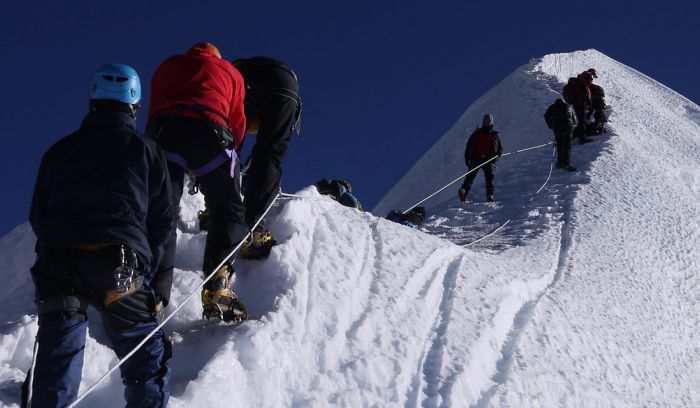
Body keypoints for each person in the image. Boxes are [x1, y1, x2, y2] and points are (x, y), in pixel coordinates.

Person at [22, 64, 175, 407]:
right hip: (117, 262)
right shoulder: (146, 150)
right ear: (134, 104)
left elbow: (38, 213)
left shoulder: (59, 151)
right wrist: (145, 268)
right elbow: (162, 220)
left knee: (55, 364)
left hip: (58, 263)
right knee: (145, 357)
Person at [146, 42, 248, 321]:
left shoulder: (167, 65)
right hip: (210, 133)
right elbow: (237, 121)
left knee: (162, 211)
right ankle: (217, 285)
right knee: (228, 209)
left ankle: (152, 291)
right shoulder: (229, 72)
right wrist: (230, 156)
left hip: (165, 133)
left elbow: (154, 108)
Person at [232, 57, 302, 259]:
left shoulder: (238, 72)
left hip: (246, 82)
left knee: (229, 146)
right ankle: (255, 228)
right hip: (288, 89)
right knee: (270, 154)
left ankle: (223, 211)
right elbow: (266, 153)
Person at [458, 114, 503, 202]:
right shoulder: (494, 136)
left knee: (470, 177)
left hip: (476, 158)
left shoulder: (476, 134)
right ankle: (490, 195)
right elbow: (500, 148)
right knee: (489, 177)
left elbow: (468, 146)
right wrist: (498, 155)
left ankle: (464, 190)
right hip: (488, 159)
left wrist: (467, 159)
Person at [544, 98, 577, 171]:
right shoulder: (568, 106)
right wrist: (573, 124)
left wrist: (551, 125)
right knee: (567, 146)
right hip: (568, 126)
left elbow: (546, 115)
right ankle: (566, 164)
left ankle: (560, 162)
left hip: (557, 127)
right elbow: (573, 117)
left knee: (559, 145)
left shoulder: (553, 106)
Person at [563, 72, 594, 144]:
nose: (590, 81)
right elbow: (586, 97)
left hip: (576, 104)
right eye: (589, 79)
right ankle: (582, 139)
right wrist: (590, 105)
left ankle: (570, 138)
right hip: (581, 105)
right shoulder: (582, 84)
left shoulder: (576, 83)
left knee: (581, 122)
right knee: (582, 122)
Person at [587, 69, 608, 135]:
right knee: (600, 110)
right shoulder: (593, 87)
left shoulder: (581, 83)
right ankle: (597, 127)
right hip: (588, 105)